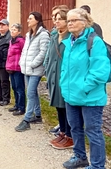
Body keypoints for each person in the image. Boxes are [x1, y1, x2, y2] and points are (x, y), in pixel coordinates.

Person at [60, 8, 110, 169]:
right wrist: (63, 84)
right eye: (68, 21)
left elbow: (100, 71)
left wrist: (83, 87)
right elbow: (65, 69)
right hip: (71, 95)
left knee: (93, 131)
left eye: (74, 20)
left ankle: (97, 165)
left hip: (90, 97)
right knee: (75, 128)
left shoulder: (94, 42)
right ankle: (80, 156)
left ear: (85, 22)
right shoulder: (69, 42)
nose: (70, 23)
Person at [43, 9, 74, 149]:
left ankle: (70, 136)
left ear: (67, 21)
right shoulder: (55, 36)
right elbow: (48, 56)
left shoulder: (71, 37)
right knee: (58, 106)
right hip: (53, 75)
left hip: (64, 77)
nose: (56, 21)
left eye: (59, 19)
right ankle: (62, 132)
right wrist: (46, 69)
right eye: (55, 18)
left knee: (66, 107)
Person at [15, 11, 50, 132]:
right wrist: (21, 62)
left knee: (30, 93)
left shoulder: (44, 34)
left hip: (36, 69)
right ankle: (38, 116)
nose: (28, 20)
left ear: (37, 20)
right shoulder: (28, 34)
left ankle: (26, 119)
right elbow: (25, 51)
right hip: (27, 69)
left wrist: (33, 63)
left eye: (30, 18)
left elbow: (43, 52)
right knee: (33, 92)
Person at [5, 23, 26, 116]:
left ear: (19, 32)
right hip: (11, 68)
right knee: (14, 87)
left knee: (20, 88)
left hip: (18, 68)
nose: (12, 31)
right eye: (12, 29)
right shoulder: (11, 41)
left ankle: (21, 107)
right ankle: (16, 105)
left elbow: (24, 54)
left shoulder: (21, 41)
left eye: (14, 30)